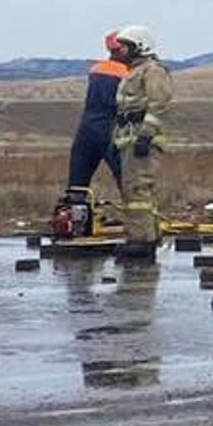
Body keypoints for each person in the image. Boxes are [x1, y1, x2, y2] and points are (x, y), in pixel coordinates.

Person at [110, 25, 173, 258]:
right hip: (129, 138)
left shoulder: (152, 71)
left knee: (138, 190)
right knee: (132, 190)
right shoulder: (133, 72)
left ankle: (141, 240)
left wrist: (146, 134)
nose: (121, 51)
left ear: (139, 47)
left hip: (142, 139)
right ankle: (145, 235)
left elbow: (159, 104)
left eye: (125, 46)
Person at [65, 30, 129, 196]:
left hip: (86, 128)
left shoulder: (96, 69)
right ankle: (136, 218)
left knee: (77, 183)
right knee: (129, 181)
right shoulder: (128, 73)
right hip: (111, 128)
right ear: (124, 48)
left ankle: (75, 217)